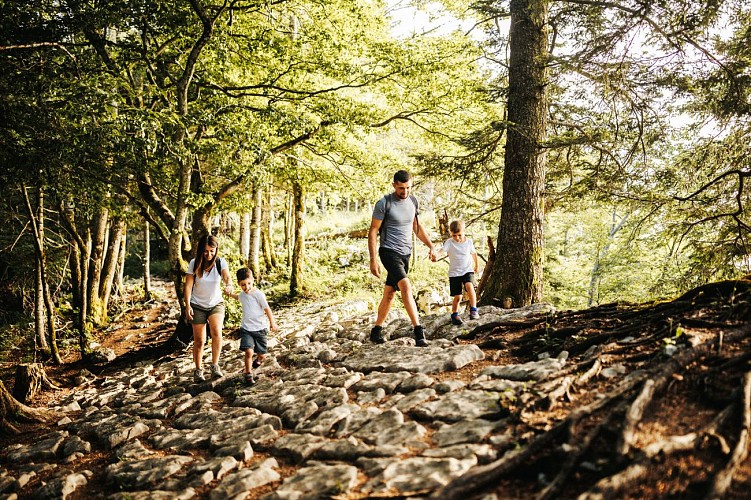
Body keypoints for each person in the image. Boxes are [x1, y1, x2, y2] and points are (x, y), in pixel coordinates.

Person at [368, 170, 436, 346]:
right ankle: (418, 331)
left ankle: (376, 330)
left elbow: (416, 227)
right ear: (394, 185)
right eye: (401, 188)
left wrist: (431, 246)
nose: (404, 192)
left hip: (406, 253)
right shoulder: (384, 203)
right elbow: (373, 230)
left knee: (390, 293)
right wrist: (373, 259)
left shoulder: (413, 201)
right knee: (405, 285)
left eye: (408, 188)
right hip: (388, 251)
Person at [184, 234, 234, 382]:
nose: (209, 254)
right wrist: (187, 305)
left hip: (215, 304)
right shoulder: (194, 263)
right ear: (200, 250)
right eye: (206, 251)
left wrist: (229, 285)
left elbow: (226, 277)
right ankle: (198, 370)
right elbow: (188, 285)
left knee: (217, 332)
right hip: (197, 305)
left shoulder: (220, 262)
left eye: (212, 251)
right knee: (200, 340)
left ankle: (214, 366)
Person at [226, 267, 278, 385]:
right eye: (243, 285)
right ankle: (248, 374)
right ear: (239, 284)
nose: (247, 287)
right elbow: (238, 297)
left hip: (260, 329)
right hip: (246, 329)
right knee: (248, 352)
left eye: (249, 283)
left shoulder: (258, 294)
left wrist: (272, 322)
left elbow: (267, 309)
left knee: (262, 354)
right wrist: (229, 295)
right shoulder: (242, 295)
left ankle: (259, 359)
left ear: (253, 280)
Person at [433, 219, 480, 325]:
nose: (457, 238)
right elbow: (442, 251)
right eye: (454, 235)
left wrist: (476, 265)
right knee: (458, 296)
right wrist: (436, 255)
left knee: (469, 286)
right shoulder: (449, 242)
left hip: (467, 270)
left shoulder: (468, 242)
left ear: (464, 231)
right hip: (454, 273)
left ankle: (473, 310)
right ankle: (454, 314)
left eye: (459, 235)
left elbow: (474, 253)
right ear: (451, 234)